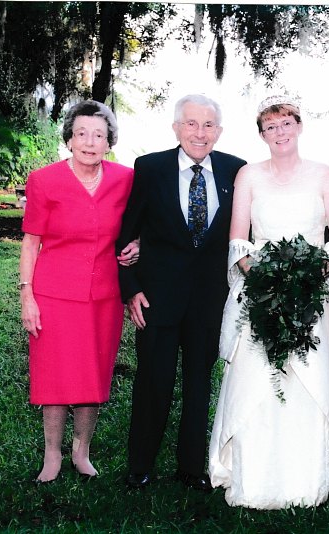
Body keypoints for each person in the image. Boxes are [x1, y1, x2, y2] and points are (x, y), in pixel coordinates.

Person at [208, 96, 329, 509]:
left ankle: (310, 477)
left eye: (286, 124)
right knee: (258, 382)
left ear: (299, 126)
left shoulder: (326, 176)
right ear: (262, 135)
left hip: (313, 297)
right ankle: (254, 477)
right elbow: (239, 241)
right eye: (270, 127)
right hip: (259, 294)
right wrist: (263, 280)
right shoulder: (248, 176)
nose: (279, 133)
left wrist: (305, 283)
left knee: (307, 383)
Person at [117, 94, 246, 491]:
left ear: (219, 131)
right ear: (176, 127)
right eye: (191, 124)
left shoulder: (236, 171)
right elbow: (125, 237)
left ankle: (191, 467)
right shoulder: (150, 167)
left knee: (198, 386)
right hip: (157, 298)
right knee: (153, 382)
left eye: (208, 125)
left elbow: (246, 233)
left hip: (210, 299)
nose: (199, 132)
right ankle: (140, 464)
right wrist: (131, 290)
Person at [20, 100, 135, 482]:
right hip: (53, 295)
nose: (90, 141)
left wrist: (141, 246)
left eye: (99, 135)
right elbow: (30, 242)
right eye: (82, 133)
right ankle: (52, 454)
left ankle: (81, 451)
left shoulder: (125, 179)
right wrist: (27, 296)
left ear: (109, 142)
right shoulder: (44, 180)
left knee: (93, 375)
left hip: (104, 296)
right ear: (69, 139)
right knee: (53, 377)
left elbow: (144, 226)